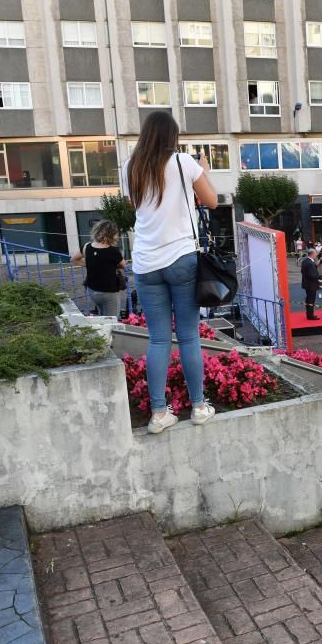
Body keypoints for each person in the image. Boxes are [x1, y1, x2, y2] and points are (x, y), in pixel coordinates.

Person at [124, 111, 217, 434]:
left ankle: (159, 413)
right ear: (172, 136)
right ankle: (199, 406)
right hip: (180, 258)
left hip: (145, 263)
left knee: (159, 339)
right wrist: (204, 171)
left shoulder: (130, 166)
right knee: (189, 335)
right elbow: (213, 201)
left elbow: (134, 205)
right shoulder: (183, 163)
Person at [72, 219, 125, 317]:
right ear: (111, 234)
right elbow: (123, 265)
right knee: (111, 322)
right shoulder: (113, 251)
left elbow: (74, 259)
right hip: (109, 292)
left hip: (93, 291)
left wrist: (91, 263)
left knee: (102, 317)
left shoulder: (86, 246)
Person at [300, 248, 322, 320]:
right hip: (311, 285)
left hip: (307, 284)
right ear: (312, 254)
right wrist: (320, 276)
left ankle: (309, 313)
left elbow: (304, 271)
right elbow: (312, 275)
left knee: (309, 299)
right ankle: (310, 315)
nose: (316, 255)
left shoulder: (305, 261)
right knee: (311, 300)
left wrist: (316, 265)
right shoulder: (310, 263)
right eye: (315, 253)